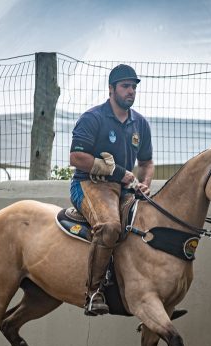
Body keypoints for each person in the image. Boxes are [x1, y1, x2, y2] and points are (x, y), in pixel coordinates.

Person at [69, 64, 154, 316]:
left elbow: (147, 163)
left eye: (134, 87)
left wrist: (145, 185)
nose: (131, 91)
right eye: (125, 86)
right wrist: (120, 173)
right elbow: (76, 157)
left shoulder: (141, 124)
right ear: (111, 89)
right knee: (109, 227)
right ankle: (93, 292)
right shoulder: (92, 118)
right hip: (89, 184)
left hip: (125, 190)